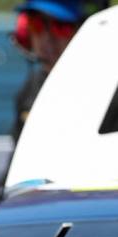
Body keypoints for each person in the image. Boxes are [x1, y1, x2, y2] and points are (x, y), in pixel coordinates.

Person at [10, 0, 108, 143]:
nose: (47, 39)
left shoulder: (106, 90)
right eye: (36, 24)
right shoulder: (29, 90)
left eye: (60, 27)